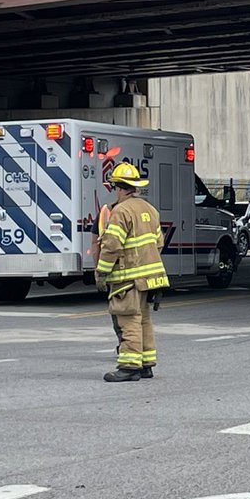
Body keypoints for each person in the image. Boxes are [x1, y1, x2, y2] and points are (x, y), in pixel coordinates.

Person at [96, 162, 169, 383]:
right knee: (144, 319)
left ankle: (129, 366)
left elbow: (111, 246)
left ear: (119, 187)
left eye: (114, 187)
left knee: (128, 320)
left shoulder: (121, 211)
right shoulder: (150, 209)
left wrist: (101, 272)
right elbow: (159, 243)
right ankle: (146, 364)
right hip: (150, 277)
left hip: (127, 278)